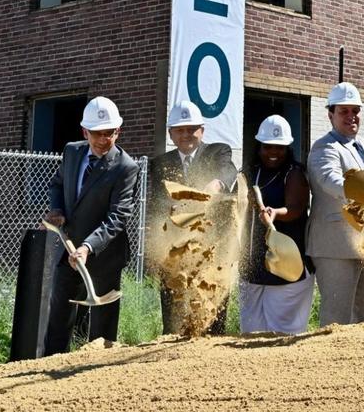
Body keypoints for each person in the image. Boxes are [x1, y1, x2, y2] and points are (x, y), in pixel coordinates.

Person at [43, 96, 138, 354]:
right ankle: (49, 370)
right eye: (96, 134)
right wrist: (58, 209)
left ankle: (98, 378)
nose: (103, 140)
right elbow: (58, 185)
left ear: (118, 131)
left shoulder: (125, 167)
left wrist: (87, 247)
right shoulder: (72, 151)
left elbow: (118, 215)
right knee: (59, 320)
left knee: (102, 332)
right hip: (69, 251)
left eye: (109, 133)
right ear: (85, 131)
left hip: (105, 256)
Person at [147, 100, 238, 334]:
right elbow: (157, 207)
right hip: (175, 252)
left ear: (202, 130)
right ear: (171, 134)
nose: (186, 134)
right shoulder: (160, 164)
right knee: (174, 315)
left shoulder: (218, 151)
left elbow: (227, 171)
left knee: (212, 314)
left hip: (212, 252)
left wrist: (216, 183)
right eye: (180, 130)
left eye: (191, 129)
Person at [306, 82, 364, 326]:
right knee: (336, 317)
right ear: (330, 115)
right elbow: (331, 181)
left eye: (355, 111)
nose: (351, 117)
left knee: (363, 313)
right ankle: (328, 364)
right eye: (344, 111)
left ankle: (358, 364)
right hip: (335, 246)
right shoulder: (324, 147)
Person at [239, 115, 314, 335]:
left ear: (288, 148)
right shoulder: (250, 172)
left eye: (280, 148)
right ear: (259, 146)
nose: (273, 152)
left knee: (282, 334)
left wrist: (275, 213)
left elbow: (296, 208)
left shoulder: (295, 173)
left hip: (286, 267)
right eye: (268, 147)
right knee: (250, 334)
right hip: (253, 266)